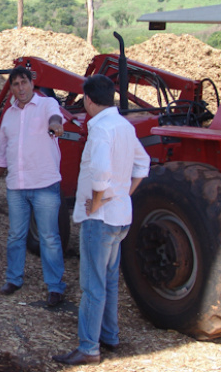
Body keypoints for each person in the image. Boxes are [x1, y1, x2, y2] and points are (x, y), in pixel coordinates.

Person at [52, 74, 150, 366]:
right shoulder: (124, 126)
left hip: (101, 219)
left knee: (92, 285)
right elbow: (142, 164)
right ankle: (110, 335)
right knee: (108, 280)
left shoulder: (100, 130)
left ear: (89, 101)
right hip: (120, 216)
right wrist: (120, 193)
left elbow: (101, 172)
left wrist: (97, 202)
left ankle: (88, 348)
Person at [0, 66, 66, 307]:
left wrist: (56, 125)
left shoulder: (46, 104)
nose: (20, 88)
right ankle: (14, 279)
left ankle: (55, 287)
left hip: (44, 184)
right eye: (15, 84)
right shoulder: (8, 115)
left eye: (24, 83)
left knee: (49, 237)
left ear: (32, 83)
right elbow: (1, 153)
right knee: (15, 236)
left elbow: (56, 116)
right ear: (11, 88)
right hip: (17, 187)